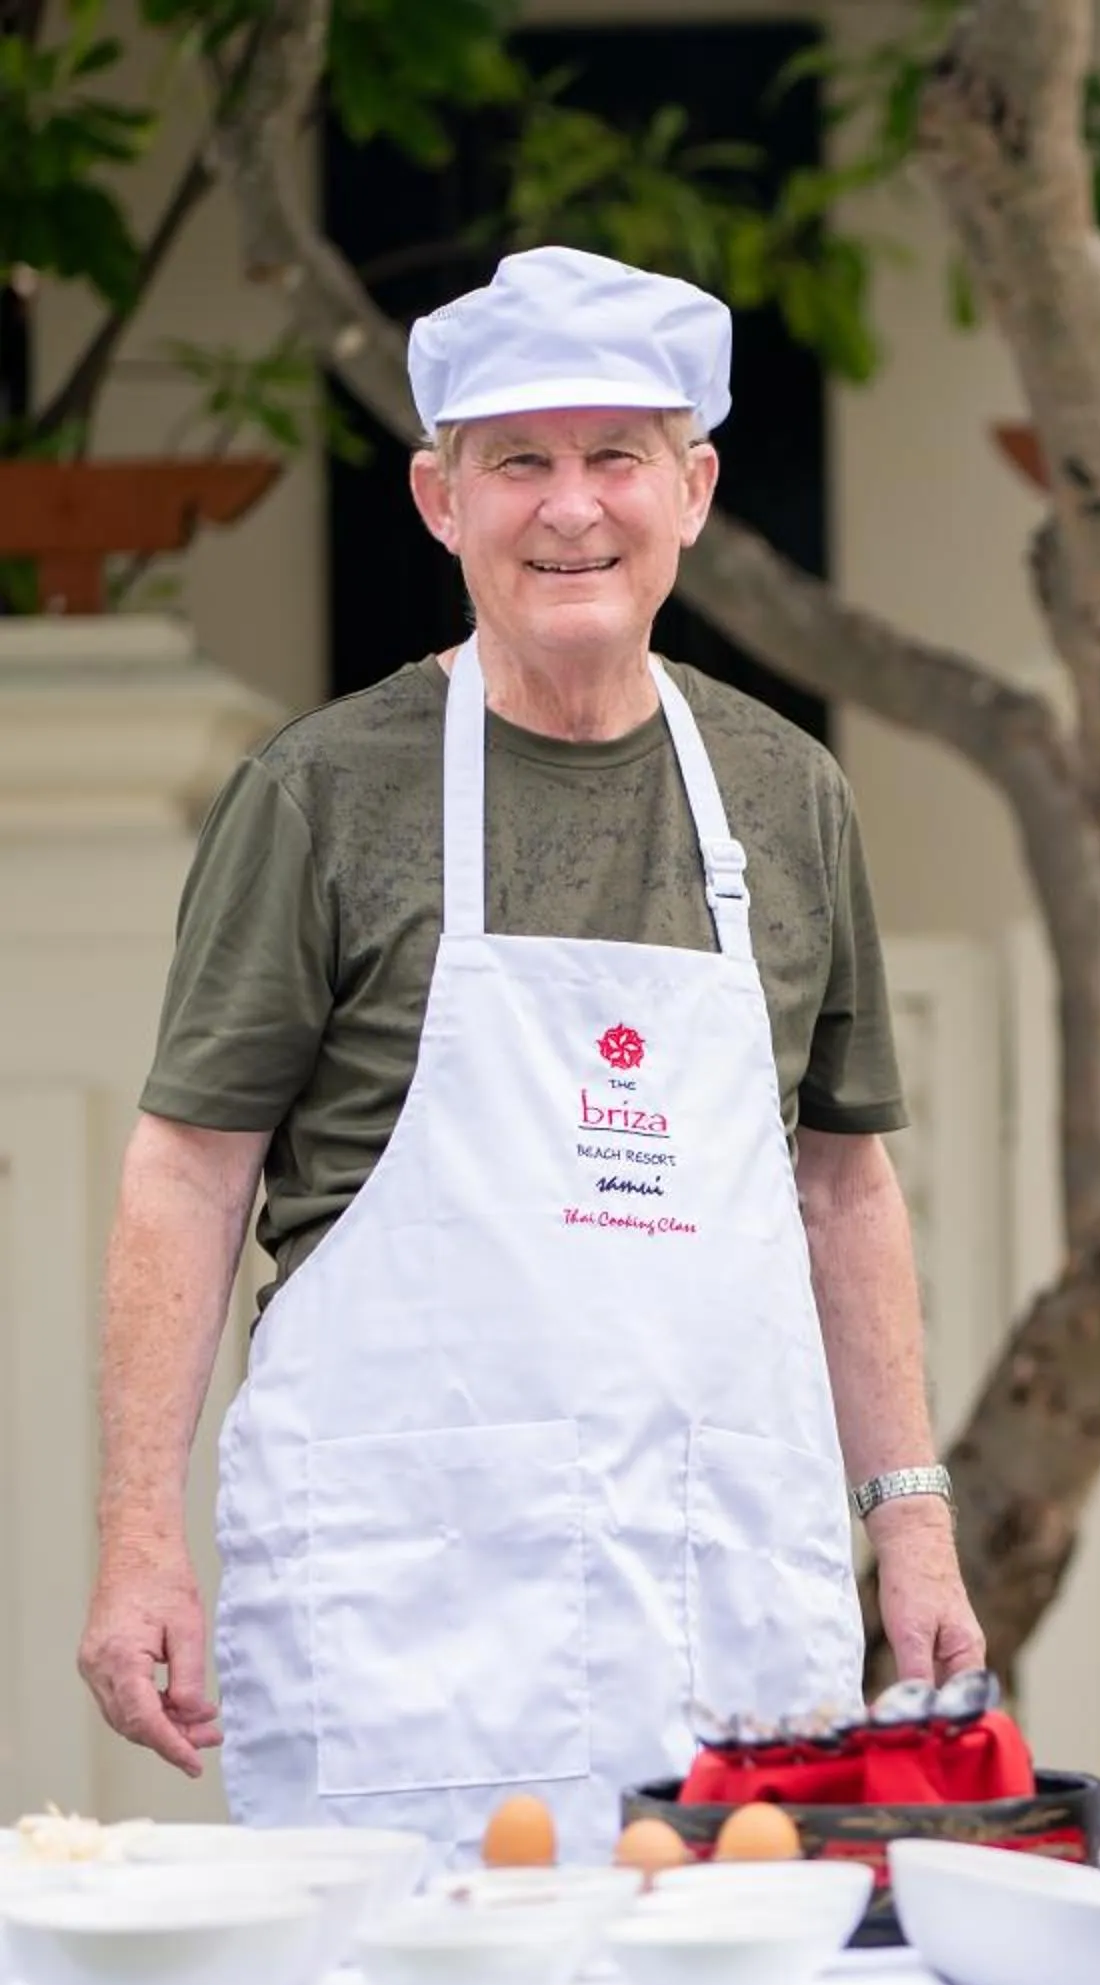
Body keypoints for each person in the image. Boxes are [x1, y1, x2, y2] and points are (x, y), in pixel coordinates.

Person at [78, 247, 981, 1849]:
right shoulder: (320, 796)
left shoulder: (787, 796)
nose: (573, 509)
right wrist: (140, 1530)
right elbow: (188, 1167)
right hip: (409, 1614)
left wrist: (911, 1522)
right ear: (441, 501)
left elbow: (844, 1188)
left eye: (616, 457)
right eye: (520, 465)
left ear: (692, 489)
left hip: (723, 1610)